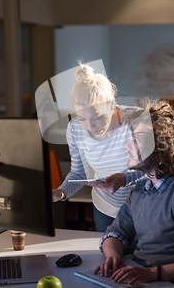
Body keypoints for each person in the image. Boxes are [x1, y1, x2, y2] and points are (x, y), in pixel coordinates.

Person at [95, 100, 174, 285]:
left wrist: (154, 273)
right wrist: (113, 257)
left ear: (159, 146)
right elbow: (116, 232)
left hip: (168, 282)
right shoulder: (141, 188)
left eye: (136, 140)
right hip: (143, 276)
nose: (127, 146)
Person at [52, 64, 146, 232]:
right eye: (82, 118)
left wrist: (125, 179)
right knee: (107, 256)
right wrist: (62, 192)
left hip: (145, 207)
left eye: (97, 117)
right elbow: (79, 173)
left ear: (111, 105)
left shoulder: (136, 121)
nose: (90, 126)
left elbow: (155, 169)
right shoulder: (74, 129)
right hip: (105, 208)